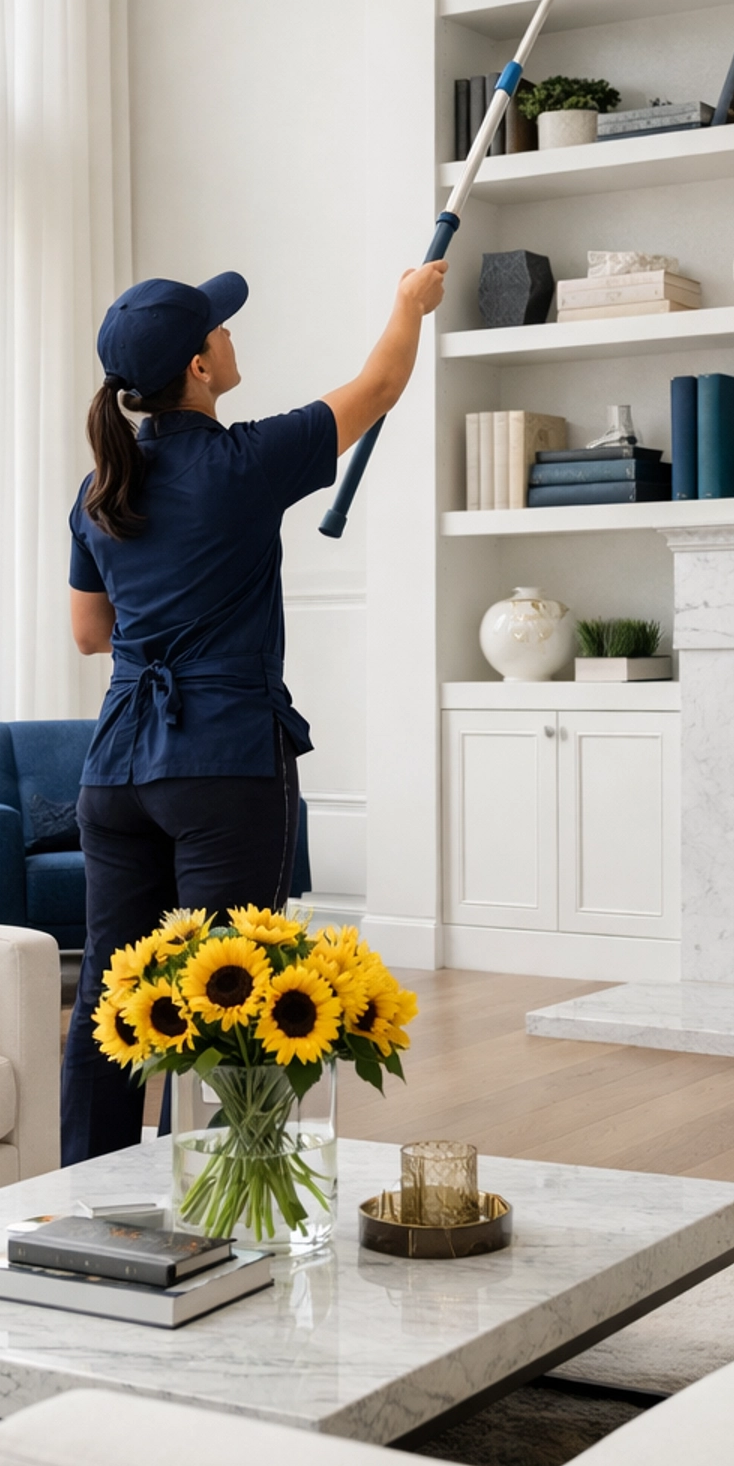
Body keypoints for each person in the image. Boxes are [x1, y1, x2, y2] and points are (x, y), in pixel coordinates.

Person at [61, 259, 447, 1162]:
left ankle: (85, 1199)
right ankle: (237, 1202)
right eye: (220, 330)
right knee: (237, 993)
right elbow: (381, 384)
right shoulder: (242, 463)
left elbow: (90, 634)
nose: (232, 337)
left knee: (112, 1000)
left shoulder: (97, 489)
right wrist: (407, 303)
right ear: (199, 368)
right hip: (223, 764)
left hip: (116, 771)